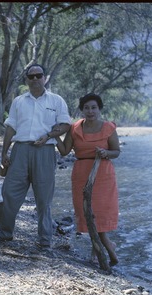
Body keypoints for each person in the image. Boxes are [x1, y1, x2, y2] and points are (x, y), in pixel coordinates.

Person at [0, 63, 71, 251]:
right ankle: (5, 234)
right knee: (8, 194)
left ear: (45, 78)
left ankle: (45, 240)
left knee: (44, 198)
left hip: (45, 151)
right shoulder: (19, 101)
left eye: (39, 75)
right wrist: (5, 152)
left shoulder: (56, 101)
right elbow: (11, 127)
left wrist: (49, 136)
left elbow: (65, 125)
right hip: (20, 150)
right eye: (31, 76)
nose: (35, 79)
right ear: (27, 80)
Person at [55, 93, 120, 266]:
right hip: (81, 172)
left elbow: (117, 151)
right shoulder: (75, 128)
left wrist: (106, 153)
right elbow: (64, 151)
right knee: (86, 211)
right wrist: (54, 136)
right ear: (81, 110)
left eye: (93, 107)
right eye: (86, 108)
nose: (90, 111)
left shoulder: (108, 128)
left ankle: (102, 248)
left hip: (103, 173)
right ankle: (106, 246)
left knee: (99, 213)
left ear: (99, 109)